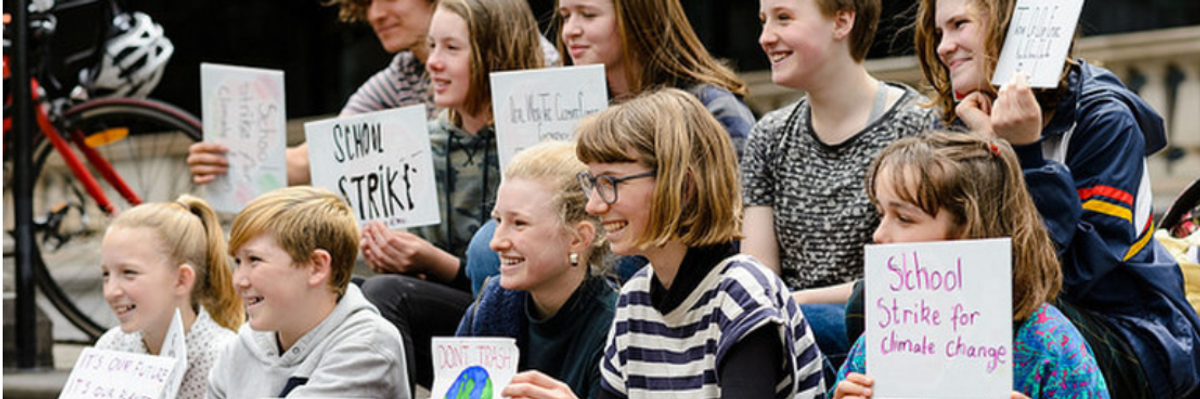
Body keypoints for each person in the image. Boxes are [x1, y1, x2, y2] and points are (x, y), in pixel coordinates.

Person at [914, 0, 1200, 397]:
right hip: (1001, 312)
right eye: (939, 32)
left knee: (1023, 320)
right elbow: (934, 261)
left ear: (1013, 25)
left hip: (1132, 333)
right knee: (868, 307)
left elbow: (1069, 273)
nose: (944, 47)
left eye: (959, 25)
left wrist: (1021, 154)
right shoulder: (959, 118)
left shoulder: (1105, 119)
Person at [464, 0, 761, 298]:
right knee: (490, 244)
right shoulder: (563, 98)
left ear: (638, 18)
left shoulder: (711, 107)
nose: (570, 31)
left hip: (667, 258)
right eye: (565, 17)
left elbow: (732, 220)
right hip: (576, 239)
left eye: (588, 15)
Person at [574, 88, 822, 398]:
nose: (594, 206)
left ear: (682, 187)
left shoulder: (741, 293)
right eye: (592, 183)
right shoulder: (633, 300)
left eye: (610, 183)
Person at [355, 0, 548, 389]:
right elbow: (418, 280)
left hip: (528, 319)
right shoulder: (421, 141)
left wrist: (438, 263)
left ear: (495, 53)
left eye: (451, 48)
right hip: (454, 321)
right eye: (432, 46)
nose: (433, 63)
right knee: (351, 295)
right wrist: (391, 252)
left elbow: (518, 277)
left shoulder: (540, 141)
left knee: (384, 293)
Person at [832, 132, 1109, 399]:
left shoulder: (1049, 345)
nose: (879, 235)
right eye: (881, 214)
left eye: (904, 218)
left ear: (970, 231)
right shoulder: (882, 341)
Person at [741, 0, 934, 373]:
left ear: (842, 21)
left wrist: (793, 304)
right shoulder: (768, 135)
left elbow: (918, 273)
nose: (766, 37)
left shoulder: (919, 126)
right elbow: (758, 276)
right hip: (786, 336)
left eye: (784, 18)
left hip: (890, 327)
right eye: (764, 21)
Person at [207, 186, 409, 398]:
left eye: (254, 260)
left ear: (316, 267)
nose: (238, 280)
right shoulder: (238, 349)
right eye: (238, 262)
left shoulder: (368, 346)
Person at [456, 141, 617, 399]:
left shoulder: (615, 331)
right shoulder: (490, 306)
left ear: (578, 238)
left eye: (519, 223)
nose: (496, 242)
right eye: (498, 220)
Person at [97, 195, 242, 399]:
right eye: (106, 274)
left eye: (129, 273)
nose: (111, 291)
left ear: (181, 280)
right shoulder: (111, 347)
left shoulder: (223, 357)